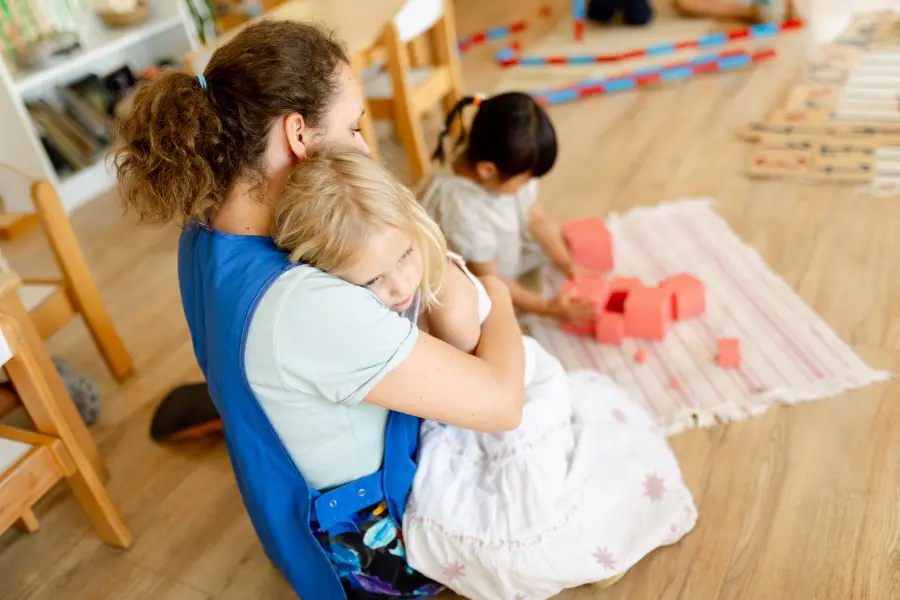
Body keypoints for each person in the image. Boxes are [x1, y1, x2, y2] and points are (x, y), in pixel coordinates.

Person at [113, 20, 526, 600]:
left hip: (288, 513)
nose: (361, 145)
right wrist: (498, 290)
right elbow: (503, 403)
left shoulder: (203, 230)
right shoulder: (302, 305)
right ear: (297, 135)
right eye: (353, 127)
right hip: (371, 552)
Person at [271, 147, 698, 600]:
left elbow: (485, 406)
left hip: (490, 404)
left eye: (404, 257)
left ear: (414, 228)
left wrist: (495, 292)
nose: (399, 285)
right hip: (471, 396)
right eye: (372, 281)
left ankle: (595, 541)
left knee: (515, 520)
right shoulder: (374, 289)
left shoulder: (448, 308)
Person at [419, 92, 595, 326]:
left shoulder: (506, 164)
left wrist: (566, 263)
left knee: (555, 238)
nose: (528, 186)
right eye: (524, 180)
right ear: (487, 170)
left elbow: (536, 217)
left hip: (497, 256)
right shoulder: (462, 207)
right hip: (474, 277)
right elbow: (488, 278)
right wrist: (546, 307)